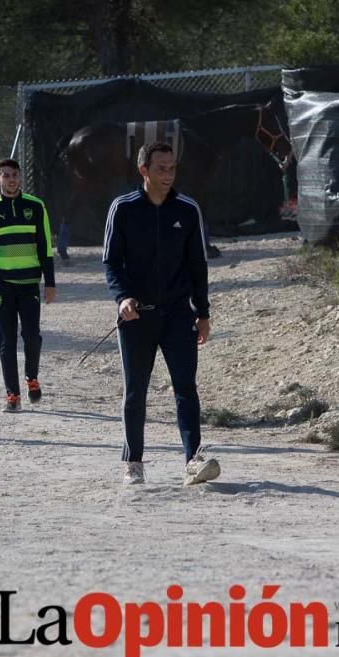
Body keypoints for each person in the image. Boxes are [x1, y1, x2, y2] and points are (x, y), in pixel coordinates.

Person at [102, 141, 220, 485]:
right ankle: (133, 462)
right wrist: (122, 298)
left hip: (179, 316)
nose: (168, 174)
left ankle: (193, 461)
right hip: (136, 317)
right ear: (144, 170)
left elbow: (198, 265)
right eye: (160, 168)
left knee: (186, 388)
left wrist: (203, 313)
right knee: (135, 390)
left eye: (172, 168)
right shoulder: (122, 208)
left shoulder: (187, 209)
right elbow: (110, 261)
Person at [0, 158, 56, 412]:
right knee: (6, 340)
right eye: (6, 175)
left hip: (29, 283)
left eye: (15, 175)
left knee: (32, 337)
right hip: (2, 284)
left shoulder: (36, 206)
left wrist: (50, 282)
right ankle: (12, 394)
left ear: (20, 177)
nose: (11, 180)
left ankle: (31, 377)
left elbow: (45, 246)